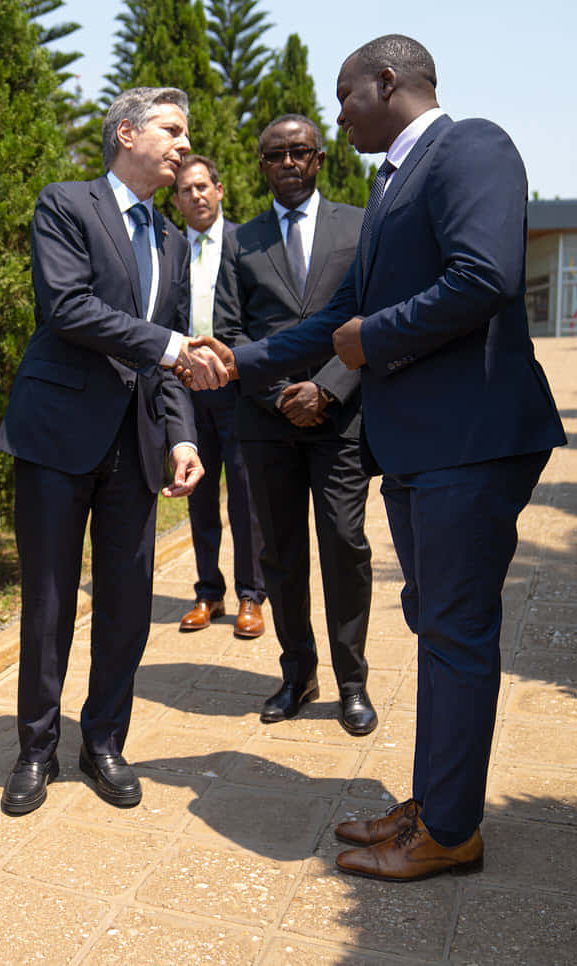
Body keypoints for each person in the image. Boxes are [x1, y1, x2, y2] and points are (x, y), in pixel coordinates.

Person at [184, 35, 566, 881]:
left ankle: (454, 830)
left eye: (346, 93)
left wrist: (368, 342)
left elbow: (484, 276)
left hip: (471, 441)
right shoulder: (390, 182)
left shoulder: (472, 147)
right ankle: (433, 804)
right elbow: (345, 313)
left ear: (388, 82)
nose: (338, 111)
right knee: (438, 629)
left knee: (458, 633)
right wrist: (236, 359)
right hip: (424, 450)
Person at [0, 87, 204, 816]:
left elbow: (167, 360)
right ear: (127, 132)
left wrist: (182, 434)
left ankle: (105, 743)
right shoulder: (66, 204)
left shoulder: (174, 239)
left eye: (186, 136)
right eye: (172, 131)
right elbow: (68, 305)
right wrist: (172, 345)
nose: (183, 145)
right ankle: (35, 749)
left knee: (127, 602)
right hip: (57, 436)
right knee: (49, 600)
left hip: (138, 445)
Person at [215, 116, 375, 736]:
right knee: (281, 554)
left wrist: (328, 388)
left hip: (341, 416)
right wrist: (282, 394)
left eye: (299, 151)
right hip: (267, 420)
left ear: (319, 158)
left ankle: (352, 683)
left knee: (344, 545)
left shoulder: (360, 226)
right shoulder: (240, 241)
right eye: (274, 154)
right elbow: (232, 332)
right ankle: (297, 673)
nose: (287, 161)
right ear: (260, 164)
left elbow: (372, 315)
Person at [171, 155, 266, 640]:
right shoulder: (168, 248)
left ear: (220, 189)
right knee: (199, 493)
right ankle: (208, 591)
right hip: (187, 390)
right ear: (176, 201)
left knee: (245, 496)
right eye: (186, 190)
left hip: (234, 387)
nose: (196, 196)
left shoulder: (245, 243)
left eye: (203, 186)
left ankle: (252, 595)